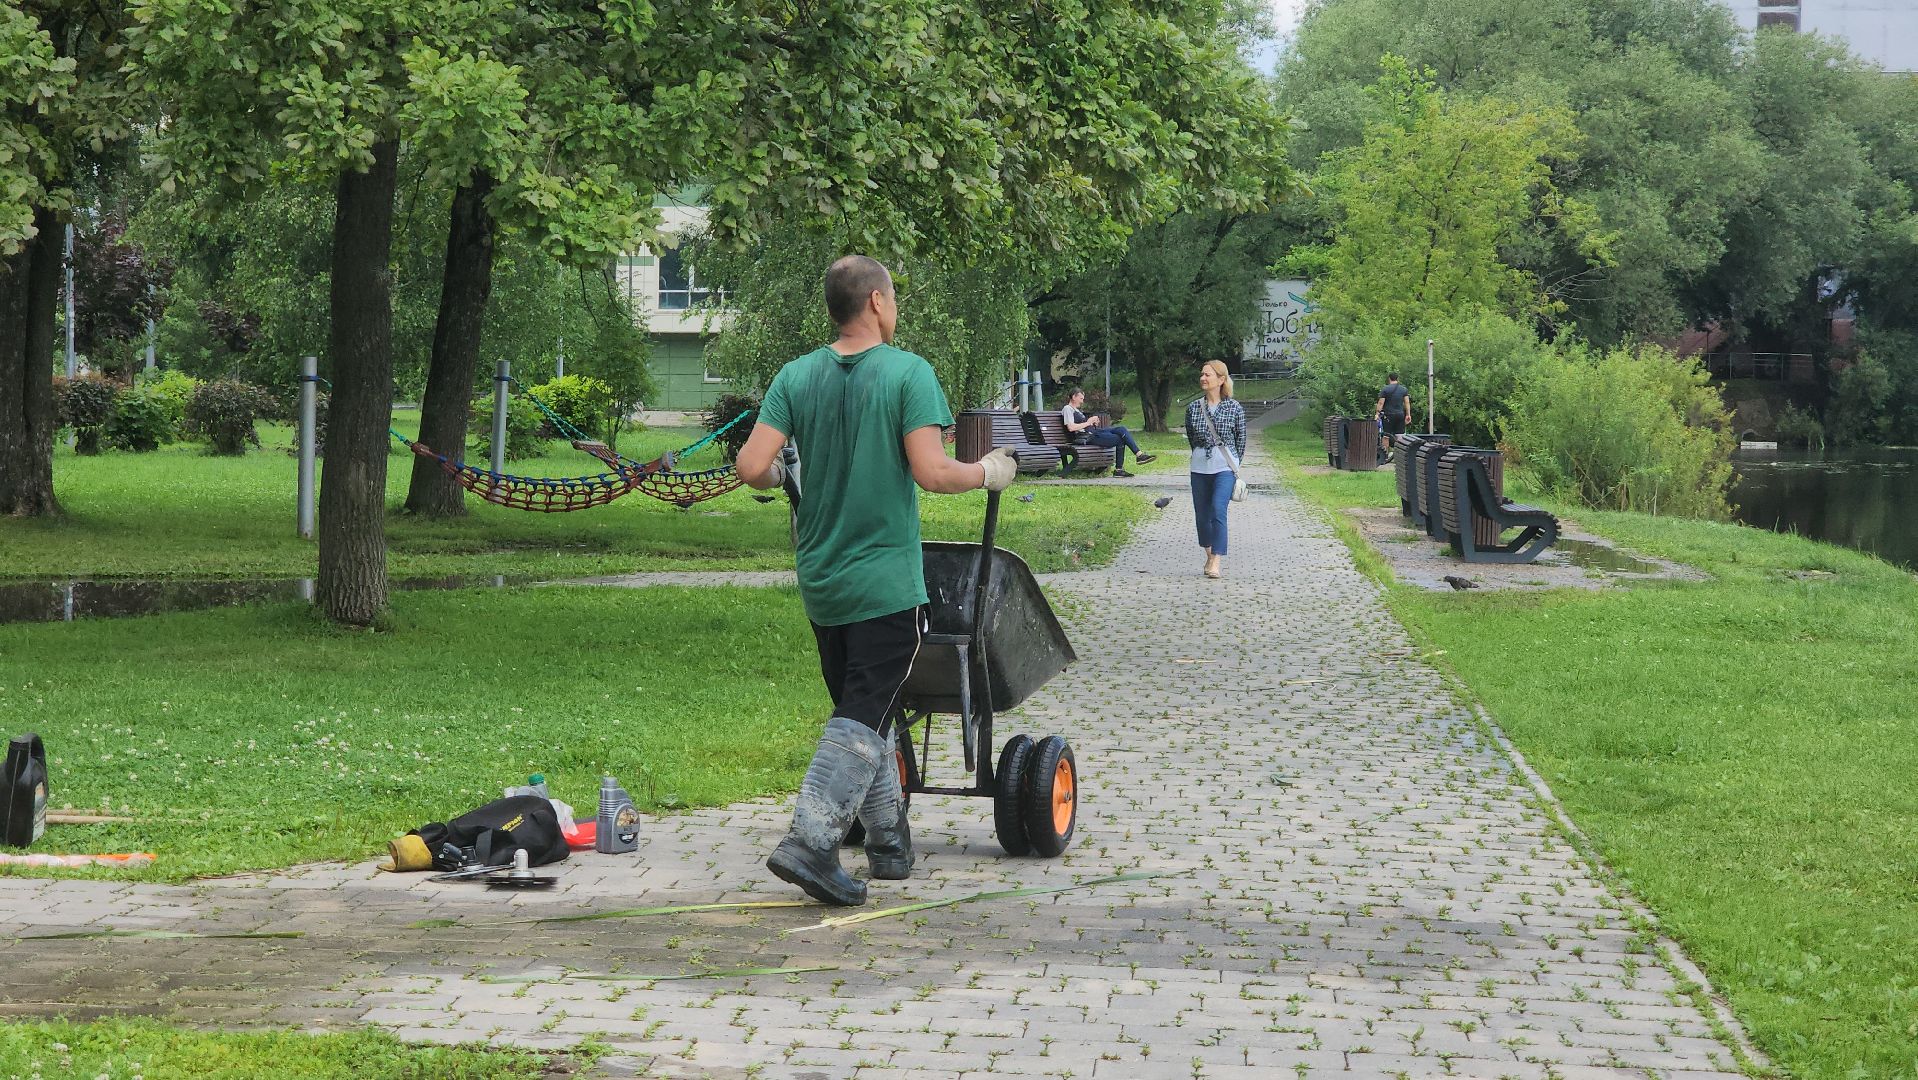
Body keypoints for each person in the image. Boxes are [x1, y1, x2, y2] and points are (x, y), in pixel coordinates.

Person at [735, 255, 1018, 907]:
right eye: (894, 299)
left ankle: (889, 845)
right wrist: (987, 472)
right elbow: (932, 471)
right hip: (885, 583)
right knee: (865, 711)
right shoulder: (908, 373)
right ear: (878, 303)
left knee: (869, 714)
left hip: (823, 580)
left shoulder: (795, 375)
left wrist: (782, 477)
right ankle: (811, 844)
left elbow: (753, 466)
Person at [1184, 360, 1246, 580]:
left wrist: (1233, 463)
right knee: (1202, 516)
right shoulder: (1193, 408)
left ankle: (1217, 560)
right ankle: (1209, 554)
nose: (1203, 378)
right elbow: (1192, 438)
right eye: (1202, 374)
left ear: (1221, 379)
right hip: (1199, 468)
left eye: (1208, 375)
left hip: (1224, 468)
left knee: (1218, 510)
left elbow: (1241, 440)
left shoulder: (1234, 407)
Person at [1059, 387, 1155, 476]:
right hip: (1087, 437)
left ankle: (1139, 455)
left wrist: (1092, 421)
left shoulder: (1076, 410)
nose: (1082, 401)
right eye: (1081, 398)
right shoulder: (1067, 409)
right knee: (1120, 439)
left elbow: (1082, 424)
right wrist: (1088, 422)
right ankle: (1120, 469)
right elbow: (1071, 427)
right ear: (1073, 397)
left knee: (1122, 429)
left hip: (1093, 432)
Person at [1375, 373, 1413, 455]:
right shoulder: (1403, 389)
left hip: (1388, 415)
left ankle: (1384, 455)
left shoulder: (1385, 389)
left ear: (1389, 378)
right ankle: (1400, 456)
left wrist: (1377, 414)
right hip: (1400, 415)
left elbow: (1381, 403)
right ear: (1397, 379)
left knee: (1386, 436)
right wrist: (1408, 415)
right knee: (1400, 436)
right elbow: (1407, 403)